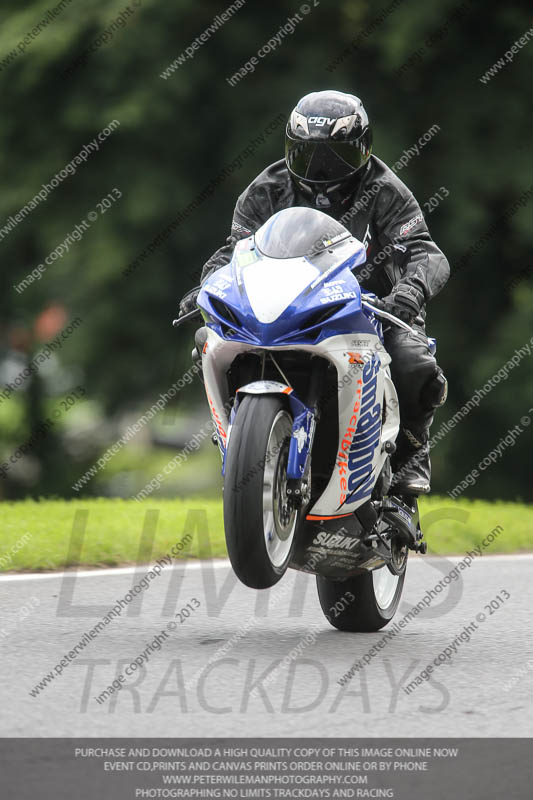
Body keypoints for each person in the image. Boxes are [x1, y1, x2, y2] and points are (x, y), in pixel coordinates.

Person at [179, 90, 449, 496]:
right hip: (286, 305)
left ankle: (411, 457)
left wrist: (410, 292)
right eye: (309, 155)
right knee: (209, 342)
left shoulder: (385, 189)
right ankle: (239, 444)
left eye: (335, 155)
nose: (322, 168)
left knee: (413, 364)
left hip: (373, 308)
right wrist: (207, 285)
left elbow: (427, 251)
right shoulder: (266, 189)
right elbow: (233, 250)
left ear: (363, 148)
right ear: (290, 149)